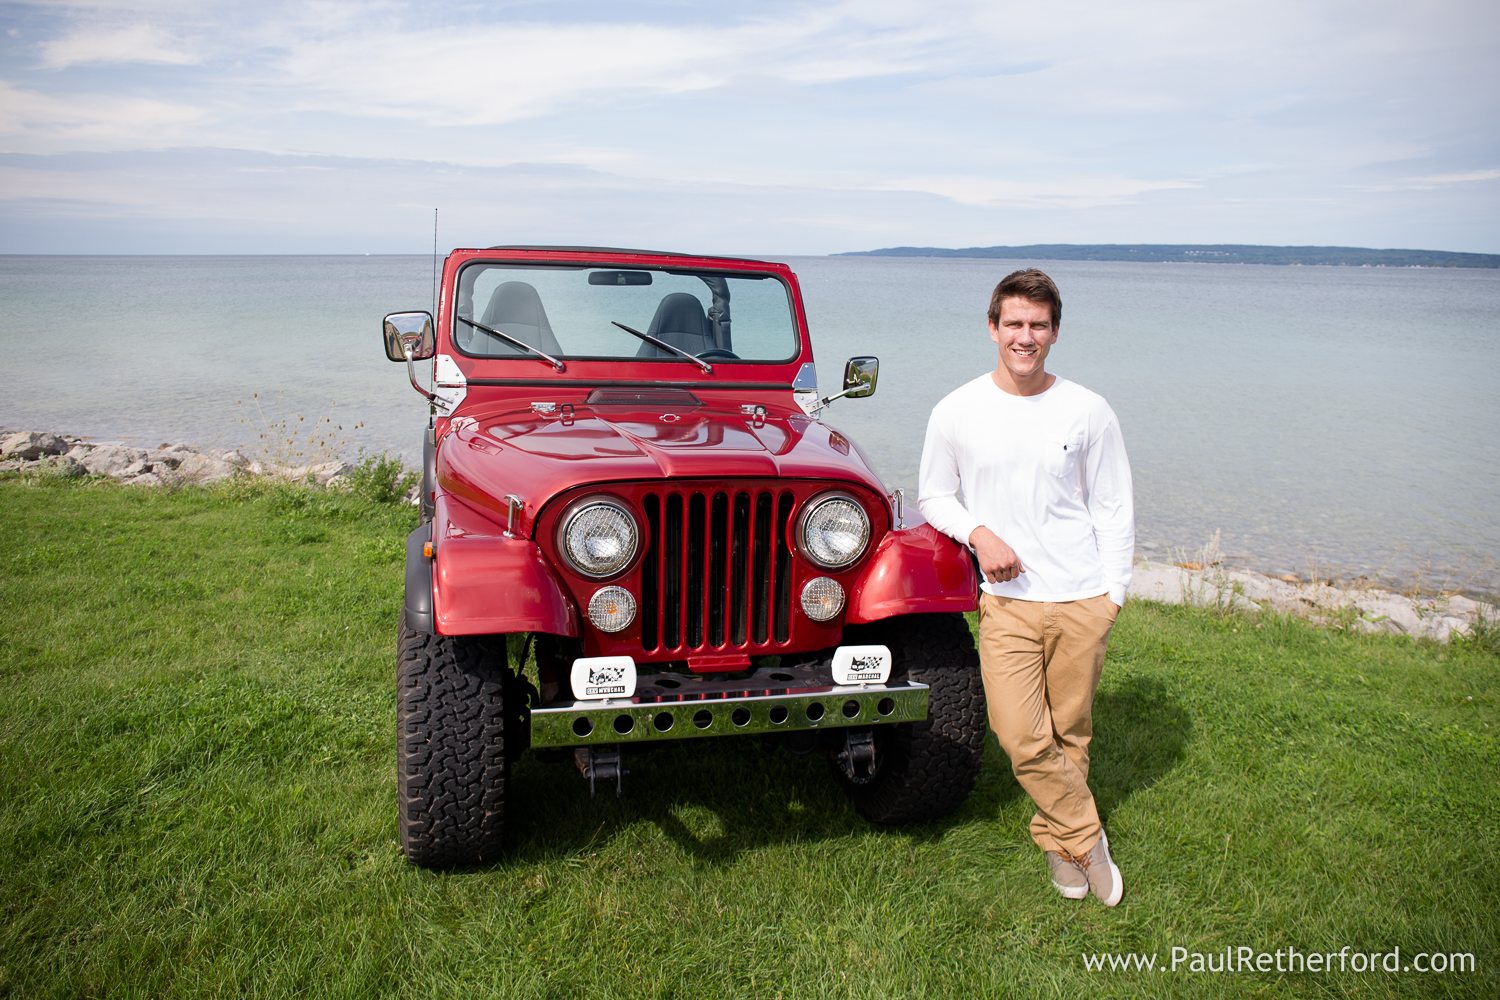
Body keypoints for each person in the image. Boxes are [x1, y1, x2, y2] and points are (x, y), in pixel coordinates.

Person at [917, 268, 1134, 906]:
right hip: (1007, 604)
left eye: (1038, 325)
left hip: (1081, 597)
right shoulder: (956, 409)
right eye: (1014, 323)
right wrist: (978, 533)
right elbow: (934, 493)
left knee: (1070, 731)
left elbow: (1113, 506)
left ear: (1055, 333)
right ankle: (1090, 840)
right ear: (993, 328)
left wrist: (1113, 593)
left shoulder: (1088, 409)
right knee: (1020, 734)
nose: (1025, 336)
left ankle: (1057, 845)